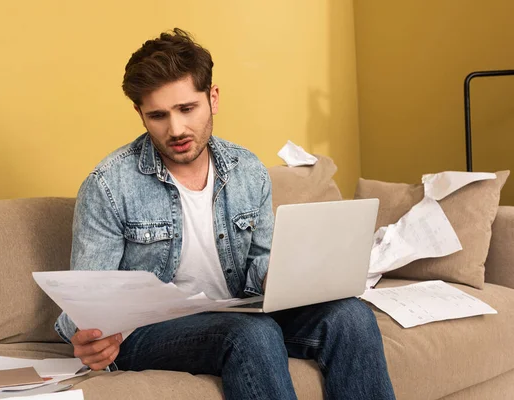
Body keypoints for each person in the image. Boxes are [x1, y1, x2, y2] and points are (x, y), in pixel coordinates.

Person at [55, 28, 395, 400]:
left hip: (239, 313)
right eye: (158, 115)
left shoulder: (247, 170)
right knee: (250, 334)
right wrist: (89, 336)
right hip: (150, 333)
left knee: (351, 317)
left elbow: (258, 265)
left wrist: (287, 275)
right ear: (139, 113)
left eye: (187, 109)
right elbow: (83, 302)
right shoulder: (108, 185)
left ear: (212, 98)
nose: (176, 129)